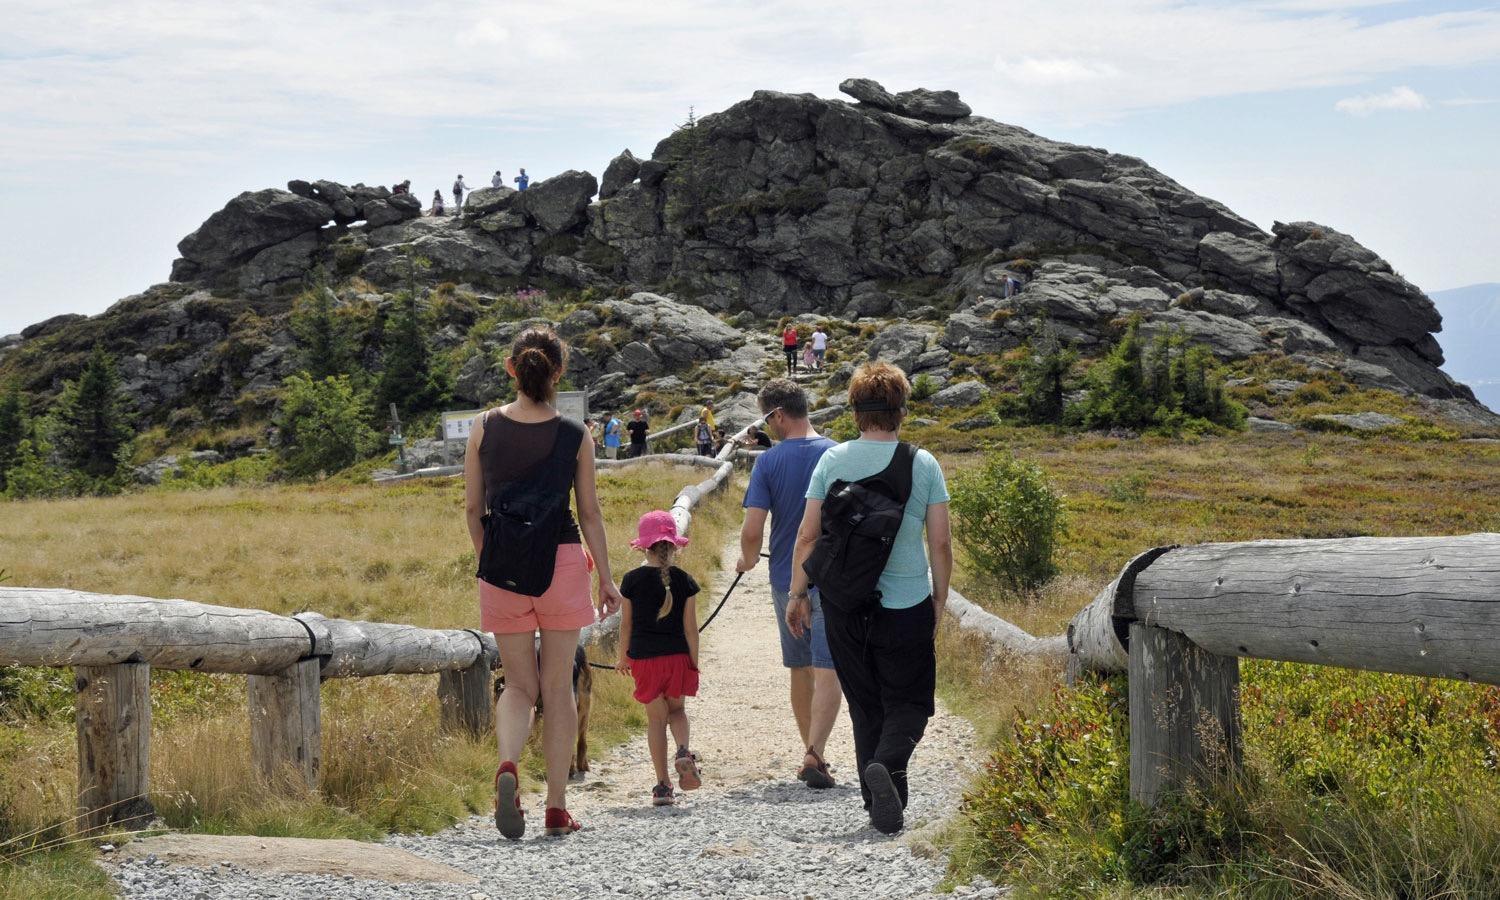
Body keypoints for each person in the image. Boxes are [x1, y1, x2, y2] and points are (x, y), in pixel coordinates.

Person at [464, 326, 625, 840]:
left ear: (511, 369)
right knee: (557, 687)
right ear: (559, 373)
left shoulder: (483, 426)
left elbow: (473, 508)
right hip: (562, 562)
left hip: (503, 565)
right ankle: (557, 808)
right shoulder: (576, 434)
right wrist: (606, 578)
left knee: (517, 685)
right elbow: (591, 512)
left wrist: (492, 560)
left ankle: (508, 765)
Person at [787, 361, 952, 835]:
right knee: (912, 701)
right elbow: (939, 543)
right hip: (906, 602)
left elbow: (806, 536)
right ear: (901, 411)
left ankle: (879, 799)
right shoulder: (923, 463)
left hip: (844, 602)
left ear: (856, 412)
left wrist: (799, 593)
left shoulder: (831, 461)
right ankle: (888, 769)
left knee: (865, 702)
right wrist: (938, 598)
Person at [737, 379, 841, 790]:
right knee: (829, 666)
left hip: (785, 577)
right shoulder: (836, 453)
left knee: (800, 667)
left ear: (777, 415)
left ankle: (812, 750)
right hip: (832, 577)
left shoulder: (768, 462)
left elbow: (751, 528)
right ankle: (814, 751)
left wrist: (746, 560)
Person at [617, 510, 703, 807]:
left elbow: (625, 625)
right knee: (677, 711)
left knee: (656, 720)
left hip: (645, 660)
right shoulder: (685, 581)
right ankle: (683, 750)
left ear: (643, 546)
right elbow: (691, 629)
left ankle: (663, 786)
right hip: (677, 657)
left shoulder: (630, 580)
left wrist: (622, 657)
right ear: (674, 546)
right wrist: (693, 661)